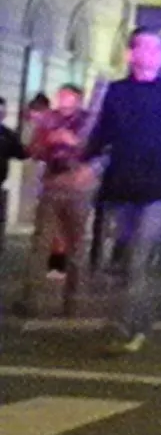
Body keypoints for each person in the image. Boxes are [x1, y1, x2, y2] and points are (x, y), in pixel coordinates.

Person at [83, 29, 161, 353]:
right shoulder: (117, 91)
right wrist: (85, 161)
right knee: (125, 257)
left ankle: (129, 328)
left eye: (158, 49)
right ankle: (130, 320)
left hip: (159, 186)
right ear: (131, 54)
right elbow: (102, 133)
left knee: (141, 256)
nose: (153, 54)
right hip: (124, 184)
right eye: (146, 47)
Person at [12, 85, 95, 319]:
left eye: (67, 96)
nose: (62, 99)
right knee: (41, 244)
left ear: (78, 100)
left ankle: (73, 303)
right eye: (61, 95)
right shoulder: (49, 120)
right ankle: (31, 301)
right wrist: (46, 141)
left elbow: (99, 150)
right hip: (52, 186)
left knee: (76, 246)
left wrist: (73, 142)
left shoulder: (89, 121)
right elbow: (33, 151)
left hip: (78, 188)